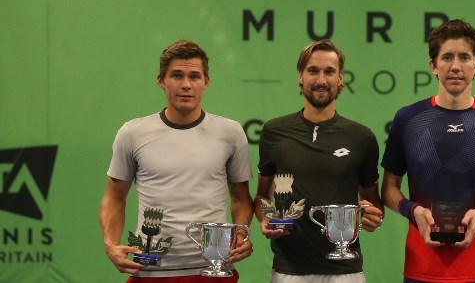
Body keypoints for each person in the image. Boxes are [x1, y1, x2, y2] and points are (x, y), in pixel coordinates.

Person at [381, 19, 475, 283]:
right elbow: (389, 188)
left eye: (464, 57)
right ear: (433, 66)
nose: (455, 66)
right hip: (423, 269)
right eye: (447, 57)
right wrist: (413, 211)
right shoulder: (408, 119)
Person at [99, 40, 255, 282]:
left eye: (194, 76)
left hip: (213, 271)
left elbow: (241, 198)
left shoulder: (231, 133)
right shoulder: (132, 133)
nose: (185, 85)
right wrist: (110, 244)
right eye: (176, 76)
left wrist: (241, 234)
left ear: (206, 82)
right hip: (150, 272)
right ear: (161, 81)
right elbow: (114, 196)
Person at [253, 39, 383, 283]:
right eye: (313, 71)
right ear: (300, 77)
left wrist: (372, 216)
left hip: (346, 272)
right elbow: (262, 196)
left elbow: (372, 202)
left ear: (340, 78)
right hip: (288, 272)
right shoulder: (274, 131)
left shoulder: (362, 138)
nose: (321, 80)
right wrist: (264, 218)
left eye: (329, 71)